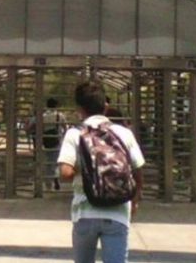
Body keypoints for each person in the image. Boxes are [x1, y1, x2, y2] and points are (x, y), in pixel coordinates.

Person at [58, 82, 145, 263]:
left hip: (84, 212)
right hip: (118, 211)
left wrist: (87, 166)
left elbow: (65, 173)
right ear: (106, 106)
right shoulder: (124, 133)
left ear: (79, 109)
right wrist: (135, 200)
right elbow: (138, 170)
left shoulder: (75, 134)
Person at [28, 98, 67, 190]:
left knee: (47, 161)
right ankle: (54, 177)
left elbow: (31, 127)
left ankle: (48, 182)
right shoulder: (60, 115)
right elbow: (65, 128)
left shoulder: (42, 116)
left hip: (45, 141)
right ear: (56, 106)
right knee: (55, 161)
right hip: (57, 141)